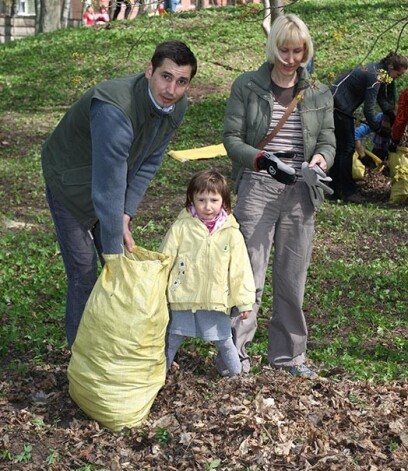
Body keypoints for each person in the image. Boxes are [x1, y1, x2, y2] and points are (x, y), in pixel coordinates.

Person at [41, 41, 197, 348]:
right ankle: (81, 353)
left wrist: (125, 215)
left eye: (181, 81)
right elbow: (107, 187)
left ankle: (114, 343)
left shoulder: (176, 106)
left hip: (109, 180)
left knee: (121, 263)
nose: (171, 88)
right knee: (85, 269)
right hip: (69, 181)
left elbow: (149, 160)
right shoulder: (115, 108)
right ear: (149, 70)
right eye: (166, 76)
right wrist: (113, 251)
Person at [223, 14, 336, 378]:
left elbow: (329, 139)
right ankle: (235, 353)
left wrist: (321, 158)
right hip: (259, 183)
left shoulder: (317, 90)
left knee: (292, 275)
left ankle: (289, 355)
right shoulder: (248, 85)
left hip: (302, 187)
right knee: (248, 274)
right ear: (273, 49)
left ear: (306, 51)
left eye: (297, 51)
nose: (290, 59)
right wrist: (259, 159)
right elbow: (232, 139)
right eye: (284, 50)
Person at [160, 170, 256, 378]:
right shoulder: (181, 228)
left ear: (224, 201)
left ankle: (238, 379)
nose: (207, 206)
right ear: (191, 200)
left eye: (214, 200)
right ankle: (157, 378)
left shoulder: (231, 233)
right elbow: (165, 259)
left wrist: (244, 302)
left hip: (215, 299)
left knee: (224, 340)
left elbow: (240, 270)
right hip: (184, 296)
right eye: (201, 199)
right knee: (173, 338)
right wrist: (156, 289)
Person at [330, 52, 407, 202]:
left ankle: (334, 188)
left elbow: (381, 98)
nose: (398, 78)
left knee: (341, 147)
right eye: (398, 74)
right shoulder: (375, 75)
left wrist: (390, 113)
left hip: (340, 105)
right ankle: (347, 192)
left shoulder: (378, 70)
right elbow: (369, 109)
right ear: (391, 67)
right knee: (347, 148)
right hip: (339, 106)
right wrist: (378, 128)